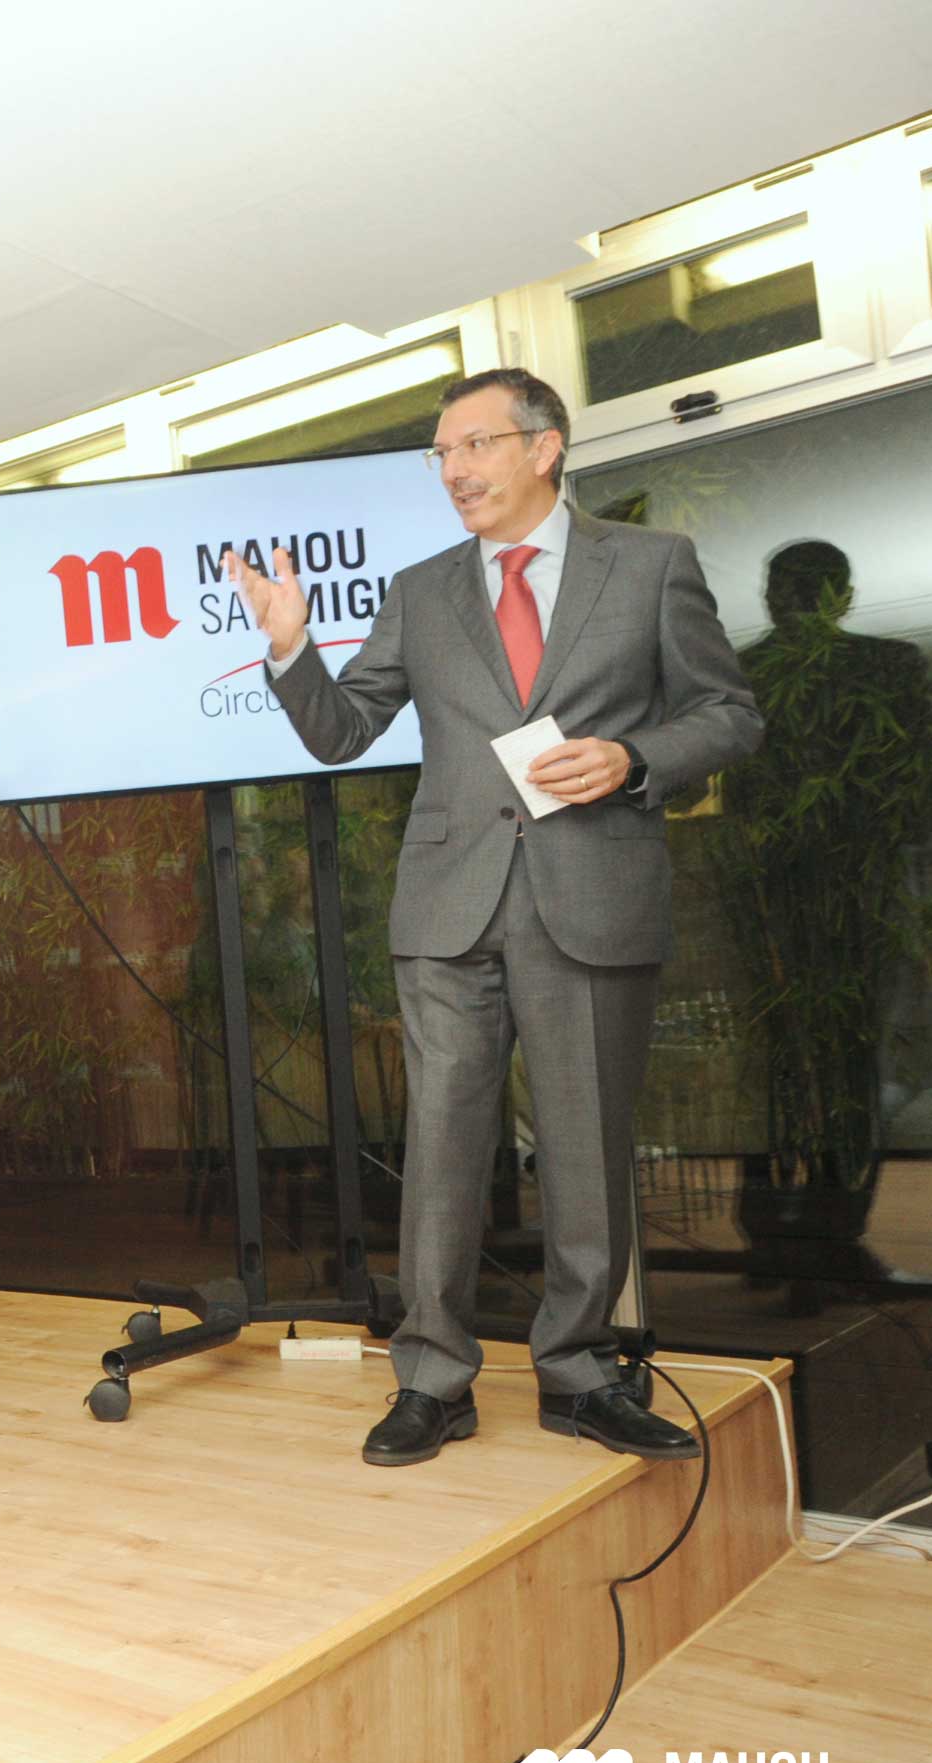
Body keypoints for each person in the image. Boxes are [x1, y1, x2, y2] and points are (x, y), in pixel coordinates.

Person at [229, 367, 763, 1466]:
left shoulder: (650, 565)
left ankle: (580, 1374)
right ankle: (432, 1378)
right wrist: (289, 649)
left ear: (544, 446)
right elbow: (342, 730)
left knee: (586, 1145)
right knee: (442, 1145)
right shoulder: (422, 591)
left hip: (593, 896)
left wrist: (632, 758)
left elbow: (728, 715)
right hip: (450, 908)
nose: (454, 470)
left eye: (474, 444)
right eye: (443, 454)